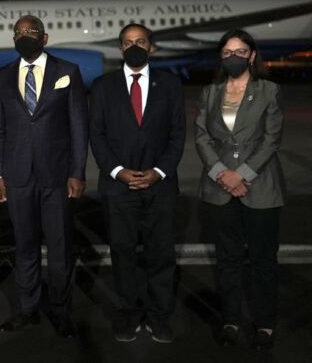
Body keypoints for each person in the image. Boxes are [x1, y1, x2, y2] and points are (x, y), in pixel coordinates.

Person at [0, 15, 88, 338]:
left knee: (60, 248)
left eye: (31, 32)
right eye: (18, 32)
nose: (24, 36)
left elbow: (77, 125)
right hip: (17, 176)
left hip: (57, 176)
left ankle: (61, 312)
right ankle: (27, 309)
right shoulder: (2, 77)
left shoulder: (67, 72)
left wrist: (77, 171)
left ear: (44, 38)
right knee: (25, 246)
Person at [89, 24, 185, 344]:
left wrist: (159, 171)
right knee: (123, 255)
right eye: (128, 43)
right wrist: (118, 171)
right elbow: (97, 136)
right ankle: (128, 315)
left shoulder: (170, 85)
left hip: (160, 187)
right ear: (120, 49)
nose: (134, 47)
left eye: (140, 42)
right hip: (118, 187)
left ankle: (159, 317)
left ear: (151, 48)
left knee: (161, 256)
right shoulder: (102, 87)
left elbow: (177, 135)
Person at [195, 29, 285, 350]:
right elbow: (202, 137)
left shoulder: (269, 91)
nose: (233, 56)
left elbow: (272, 139)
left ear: (251, 55)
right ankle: (231, 319)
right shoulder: (210, 92)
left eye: (239, 51)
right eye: (227, 52)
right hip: (220, 189)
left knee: (262, 261)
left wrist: (242, 174)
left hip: (259, 187)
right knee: (227, 260)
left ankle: (265, 323)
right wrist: (222, 174)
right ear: (221, 57)